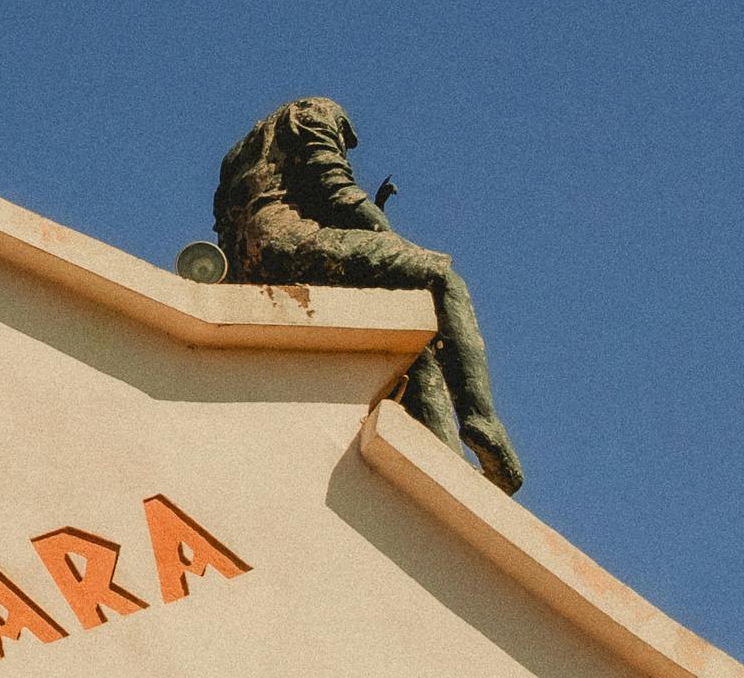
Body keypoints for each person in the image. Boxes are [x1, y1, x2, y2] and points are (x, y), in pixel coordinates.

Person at [214, 96, 525, 491]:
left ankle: (445, 462)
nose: (346, 145)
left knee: (417, 352)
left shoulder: (242, 155)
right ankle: (484, 421)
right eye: (346, 139)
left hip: (253, 264)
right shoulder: (311, 113)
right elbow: (335, 189)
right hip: (286, 243)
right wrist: (393, 240)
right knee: (441, 280)